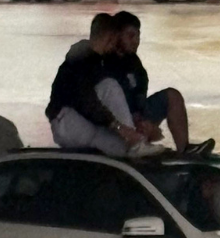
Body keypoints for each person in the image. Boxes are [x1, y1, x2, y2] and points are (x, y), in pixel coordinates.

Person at [46, 13, 165, 158]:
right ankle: (136, 143)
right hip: (65, 119)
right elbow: (87, 102)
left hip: (81, 124)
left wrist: (133, 126)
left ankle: (136, 145)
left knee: (124, 152)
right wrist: (120, 128)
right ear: (110, 37)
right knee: (109, 86)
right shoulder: (81, 59)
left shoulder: (97, 60)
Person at [100, 11, 215, 157]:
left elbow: (140, 93)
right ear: (116, 36)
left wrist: (145, 120)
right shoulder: (104, 62)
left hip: (136, 116)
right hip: (113, 122)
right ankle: (133, 143)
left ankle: (185, 149)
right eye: (130, 36)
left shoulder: (134, 63)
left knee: (173, 96)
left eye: (138, 36)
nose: (136, 41)